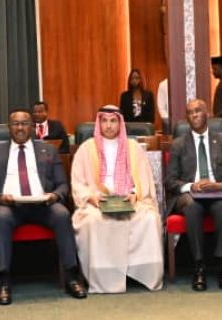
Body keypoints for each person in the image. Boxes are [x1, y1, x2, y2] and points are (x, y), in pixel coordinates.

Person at [0, 109, 85, 305]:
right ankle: (3, 280)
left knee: (62, 214)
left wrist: (55, 196)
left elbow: (62, 185)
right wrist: (0, 197)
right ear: (9, 127)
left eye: (24, 123)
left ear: (32, 127)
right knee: (1, 217)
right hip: (10, 206)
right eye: (15, 124)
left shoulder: (48, 150)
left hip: (43, 205)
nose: (20, 127)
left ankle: (71, 276)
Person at [70, 106, 163, 293]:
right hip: (98, 201)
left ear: (120, 123)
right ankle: (104, 276)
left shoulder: (133, 148)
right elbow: (78, 183)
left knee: (149, 219)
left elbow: (144, 179)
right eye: (104, 121)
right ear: (99, 123)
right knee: (92, 221)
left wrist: (135, 194)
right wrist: (92, 198)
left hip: (130, 200)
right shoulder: (86, 149)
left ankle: (142, 273)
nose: (109, 126)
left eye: (113, 121)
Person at [166, 99, 222, 291]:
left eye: (198, 111)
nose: (194, 115)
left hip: (218, 193)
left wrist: (220, 185)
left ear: (207, 114)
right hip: (190, 195)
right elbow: (170, 181)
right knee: (192, 208)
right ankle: (198, 267)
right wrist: (191, 186)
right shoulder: (178, 144)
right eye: (190, 112)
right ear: (187, 118)